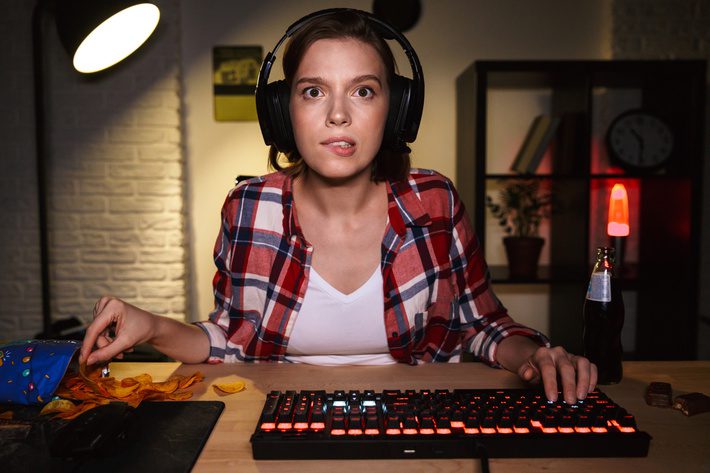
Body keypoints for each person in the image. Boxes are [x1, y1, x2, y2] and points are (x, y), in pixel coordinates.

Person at [80, 9, 596, 404]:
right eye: (312, 91)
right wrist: (152, 326)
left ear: (396, 111)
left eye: (364, 91)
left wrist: (537, 356)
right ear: (284, 112)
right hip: (282, 413)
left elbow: (481, 326)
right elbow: (230, 339)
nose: (338, 115)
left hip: (417, 414)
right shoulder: (250, 206)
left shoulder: (433, 199)